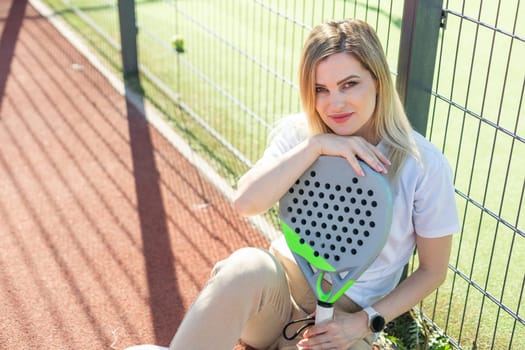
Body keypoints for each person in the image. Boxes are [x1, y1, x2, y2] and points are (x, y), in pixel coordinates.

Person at [127, 18, 460, 350]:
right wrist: (316, 146)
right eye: (321, 89)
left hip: (343, 322)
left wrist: (361, 323)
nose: (335, 103)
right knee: (246, 266)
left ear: (377, 81)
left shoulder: (423, 165)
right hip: (278, 294)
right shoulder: (302, 134)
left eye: (349, 84)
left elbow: (432, 270)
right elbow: (246, 202)